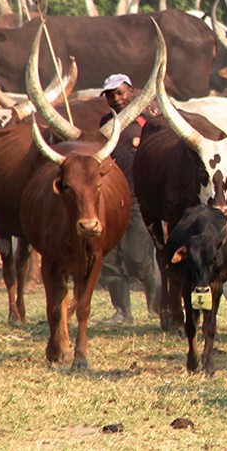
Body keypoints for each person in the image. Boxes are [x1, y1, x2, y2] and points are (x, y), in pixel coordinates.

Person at [97, 74, 162, 325]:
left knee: (137, 258)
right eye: (110, 95)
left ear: (131, 91)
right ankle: (122, 312)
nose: (116, 99)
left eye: (119, 93)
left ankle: (156, 306)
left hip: (137, 199)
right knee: (110, 258)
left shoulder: (149, 120)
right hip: (109, 199)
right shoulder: (105, 123)